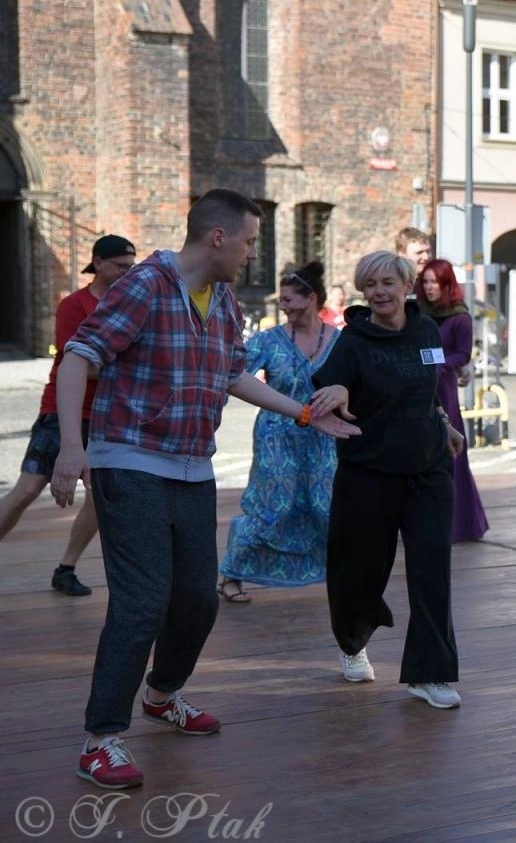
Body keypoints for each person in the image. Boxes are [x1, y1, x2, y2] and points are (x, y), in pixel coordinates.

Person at [49, 189, 360, 790]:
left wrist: (303, 412)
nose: (250, 253)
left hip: (192, 467)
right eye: (248, 240)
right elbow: (77, 357)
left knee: (198, 599)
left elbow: (232, 372)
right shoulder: (144, 286)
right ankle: (101, 740)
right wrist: (70, 446)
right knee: (142, 602)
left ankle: (162, 695)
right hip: (129, 461)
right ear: (218, 238)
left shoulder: (222, 300)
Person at [309, 251, 466, 703]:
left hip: (428, 467)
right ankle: (352, 641)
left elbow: (427, 392)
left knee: (432, 569)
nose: (378, 292)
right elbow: (331, 386)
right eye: (369, 285)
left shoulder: (426, 330)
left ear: (405, 285)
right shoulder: (353, 341)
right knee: (358, 572)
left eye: (386, 283)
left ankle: (429, 673)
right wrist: (338, 391)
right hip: (369, 473)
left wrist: (443, 422)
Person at [0, 235, 138, 596]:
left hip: (107, 416)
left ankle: (66, 568)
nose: (128, 273)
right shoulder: (73, 305)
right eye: (122, 266)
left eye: (131, 267)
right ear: (99, 263)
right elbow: (79, 364)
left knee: (98, 497)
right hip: (61, 411)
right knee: (27, 489)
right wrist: (129, 367)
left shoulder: (129, 304)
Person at [218, 263, 340, 603]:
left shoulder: (340, 341)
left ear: (311, 298)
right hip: (277, 435)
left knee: (324, 505)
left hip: (322, 437)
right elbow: (233, 373)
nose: (282, 305)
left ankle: (341, 574)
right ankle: (231, 574)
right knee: (274, 506)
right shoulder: (268, 340)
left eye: (288, 299)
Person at [417, 258, 489, 543]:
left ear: (447, 284)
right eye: (425, 281)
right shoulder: (418, 314)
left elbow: (463, 354)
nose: (429, 287)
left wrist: (440, 365)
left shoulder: (460, 316)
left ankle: (460, 523)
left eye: (435, 281)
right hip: (417, 385)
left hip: (443, 387)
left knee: (450, 452)